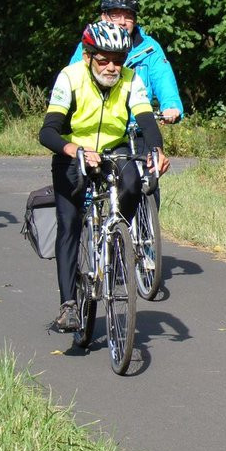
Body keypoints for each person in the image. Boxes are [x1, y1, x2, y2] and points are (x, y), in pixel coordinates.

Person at [40, 21, 169, 334]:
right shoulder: (69, 78)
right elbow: (48, 131)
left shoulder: (130, 79)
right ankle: (69, 305)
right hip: (74, 153)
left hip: (114, 150)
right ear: (87, 56)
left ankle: (116, 239)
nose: (112, 66)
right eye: (103, 59)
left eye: (118, 59)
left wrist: (157, 151)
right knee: (69, 223)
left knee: (135, 182)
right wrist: (74, 149)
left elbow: (146, 120)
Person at [70, 0, 183, 125]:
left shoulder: (150, 49)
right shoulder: (89, 45)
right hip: (96, 124)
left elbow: (164, 80)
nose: (122, 22)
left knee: (154, 145)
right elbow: (72, 80)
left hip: (136, 125)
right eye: (116, 16)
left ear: (135, 21)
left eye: (128, 16)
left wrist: (171, 107)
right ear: (104, 17)